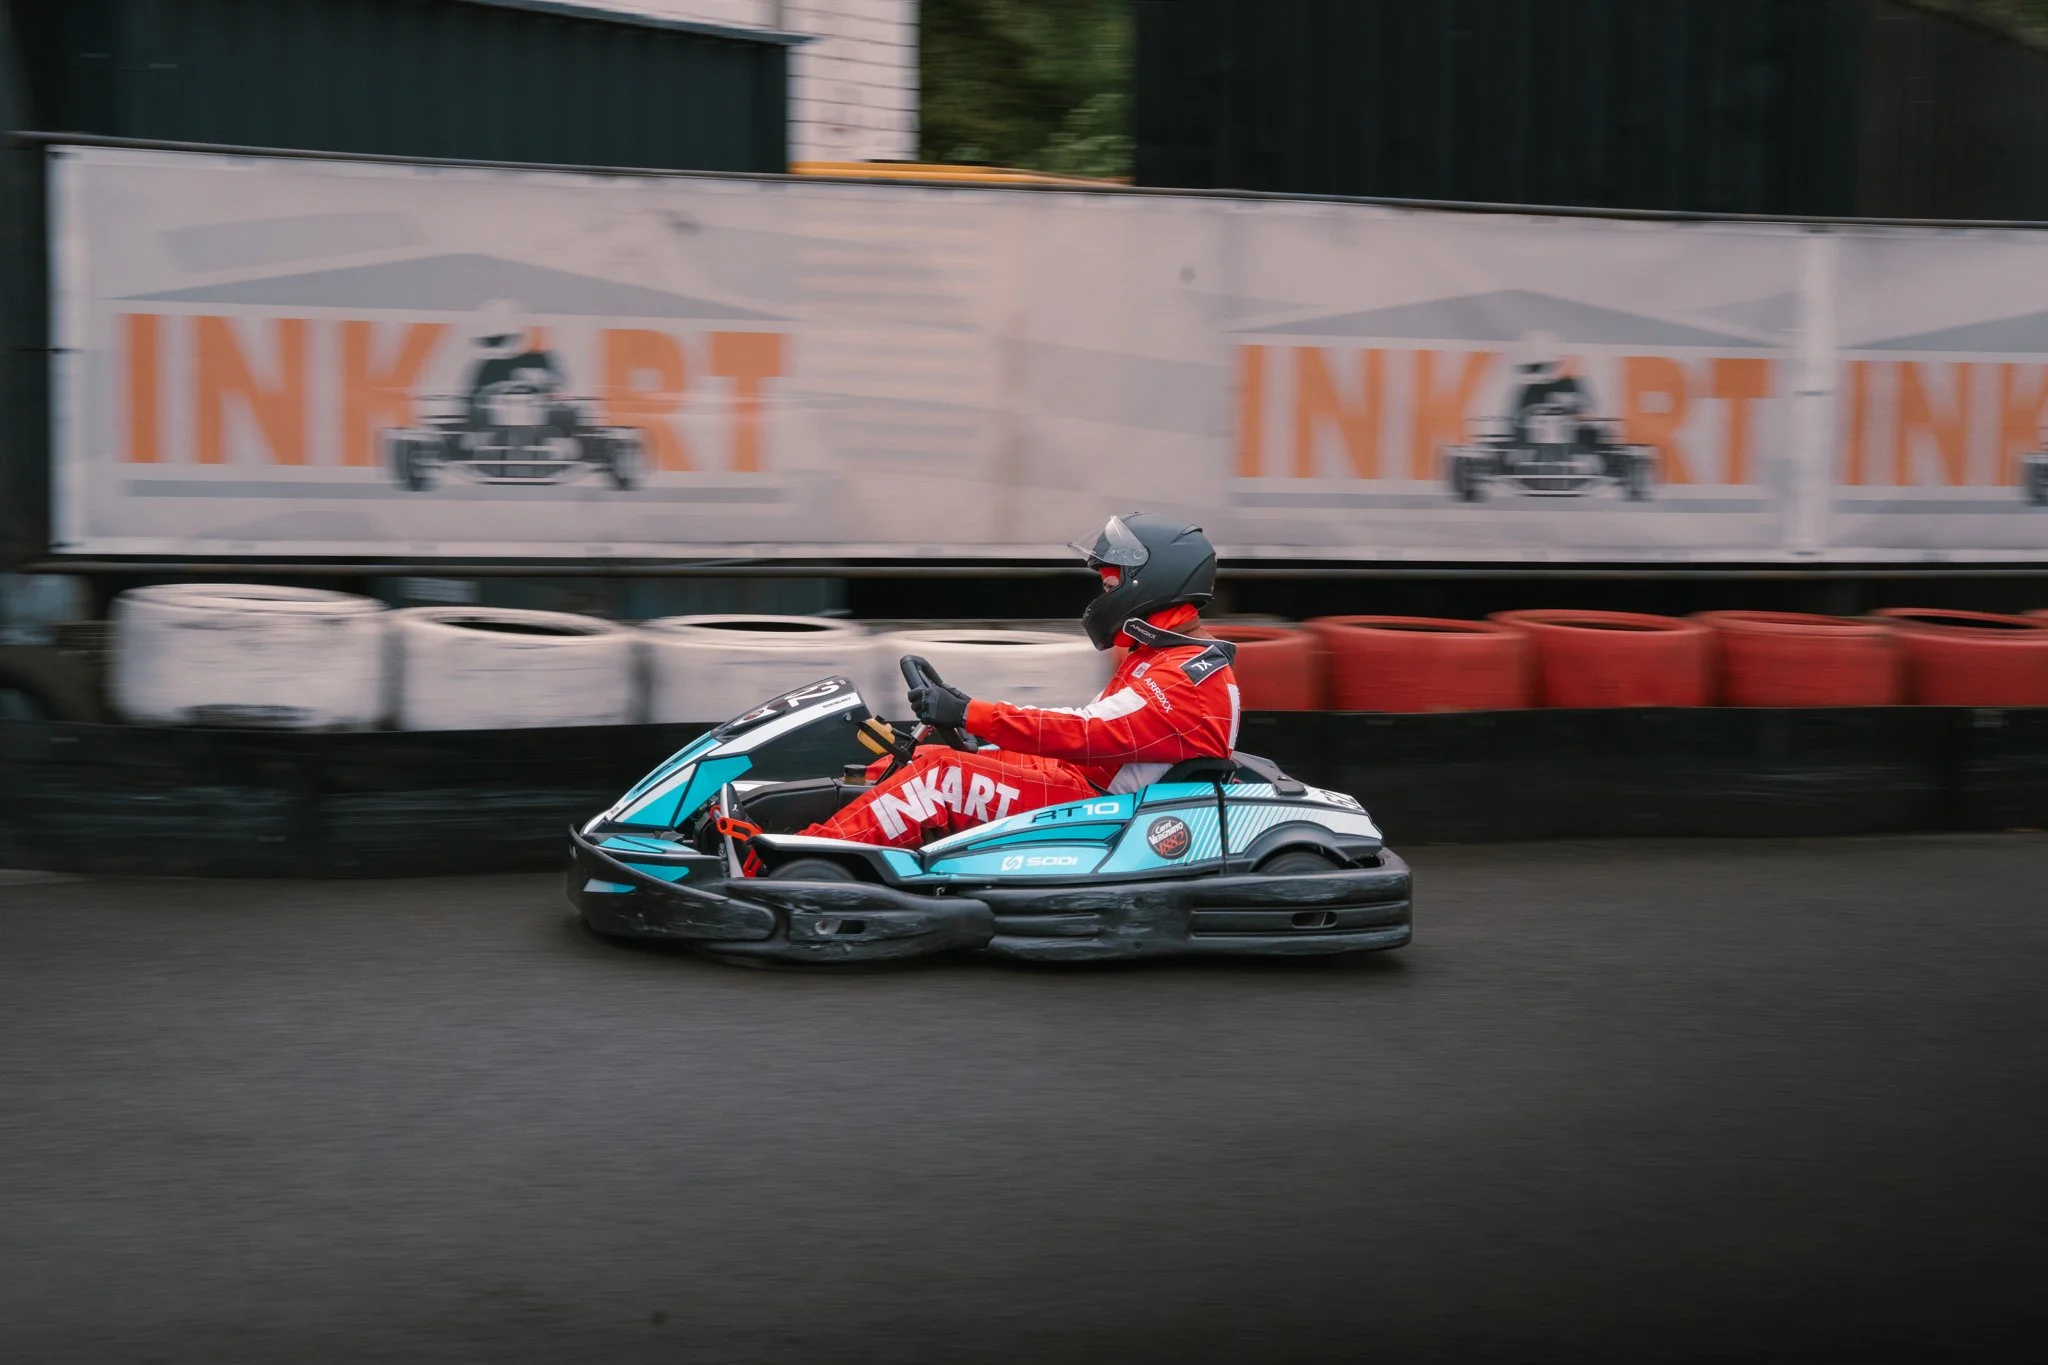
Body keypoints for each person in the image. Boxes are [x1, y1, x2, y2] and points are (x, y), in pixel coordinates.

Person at [797, 514, 1242, 850]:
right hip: (1087, 782)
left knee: (940, 777)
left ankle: (811, 859)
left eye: (1110, 588)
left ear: (1152, 583)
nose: (1102, 597)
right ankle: (823, 834)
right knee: (923, 755)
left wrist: (972, 713)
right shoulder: (1164, 655)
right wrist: (971, 718)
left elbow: (1089, 732)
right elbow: (1089, 729)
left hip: (1105, 812)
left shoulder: (1187, 679)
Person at [461, 299, 576, 435]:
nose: (495, 345)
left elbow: (561, 387)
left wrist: (544, 381)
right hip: (496, 430)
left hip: (541, 428)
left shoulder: (541, 358)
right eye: (492, 340)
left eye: (499, 339)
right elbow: (472, 401)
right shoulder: (487, 366)